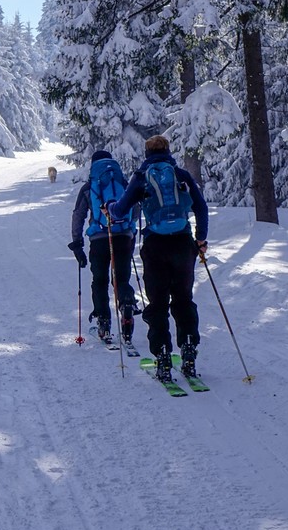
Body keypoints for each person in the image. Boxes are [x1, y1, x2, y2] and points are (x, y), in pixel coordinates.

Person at [106, 135, 208, 382]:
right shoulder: (181, 175)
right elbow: (201, 207)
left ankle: (162, 356)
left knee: (158, 303)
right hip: (183, 244)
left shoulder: (141, 177)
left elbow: (121, 210)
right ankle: (189, 350)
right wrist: (200, 239)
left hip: (155, 245)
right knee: (183, 300)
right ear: (168, 151)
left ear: (147, 153)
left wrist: (109, 207)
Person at [68, 150, 139, 344]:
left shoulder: (89, 187)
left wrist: (77, 244)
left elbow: (78, 215)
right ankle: (126, 305)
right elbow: (135, 210)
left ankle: (104, 322)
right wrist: (129, 231)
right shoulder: (124, 184)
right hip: (123, 237)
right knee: (121, 279)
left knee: (99, 281)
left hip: (99, 239)